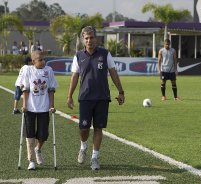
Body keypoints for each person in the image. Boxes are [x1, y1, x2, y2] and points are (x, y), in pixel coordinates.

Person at [67, 26, 125, 170]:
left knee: (98, 128)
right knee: (84, 128)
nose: (89, 40)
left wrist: (121, 92)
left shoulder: (105, 54)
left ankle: (94, 158)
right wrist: (69, 96)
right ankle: (83, 146)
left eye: (91, 37)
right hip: (85, 98)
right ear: (83, 40)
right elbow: (74, 77)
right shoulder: (78, 56)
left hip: (102, 97)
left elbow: (113, 73)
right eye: (86, 38)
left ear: (96, 38)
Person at [21, 50, 57, 170]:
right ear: (33, 61)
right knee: (30, 134)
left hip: (44, 108)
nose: (43, 61)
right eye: (40, 60)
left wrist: (52, 105)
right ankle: (31, 160)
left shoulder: (49, 71)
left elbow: (51, 90)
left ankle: (38, 149)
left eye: (44, 59)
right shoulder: (28, 70)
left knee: (43, 135)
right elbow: (25, 89)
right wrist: (25, 105)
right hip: (30, 108)